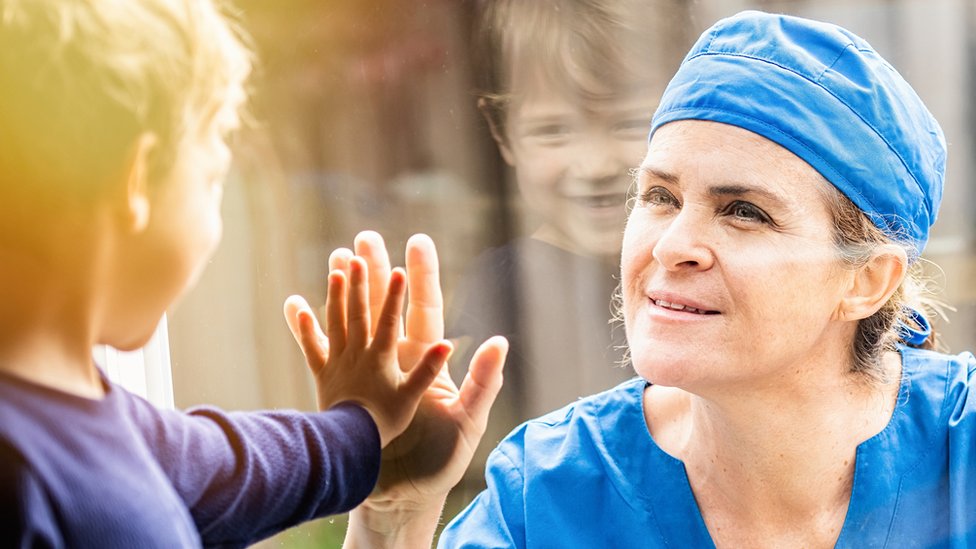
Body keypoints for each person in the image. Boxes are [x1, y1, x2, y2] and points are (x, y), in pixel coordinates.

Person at [315, 10, 976, 548]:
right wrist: (392, 521)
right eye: (659, 196)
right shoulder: (544, 498)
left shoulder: (963, 449)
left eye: (744, 212)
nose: (674, 244)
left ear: (865, 282)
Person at [0, 0, 506, 546]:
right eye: (213, 178)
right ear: (137, 182)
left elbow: (238, 467)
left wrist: (365, 428)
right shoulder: (33, 480)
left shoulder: (91, 428)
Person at [448, 0, 690, 434]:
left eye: (630, 122)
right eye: (553, 131)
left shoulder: (704, 260)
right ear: (503, 134)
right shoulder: (505, 292)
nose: (594, 165)